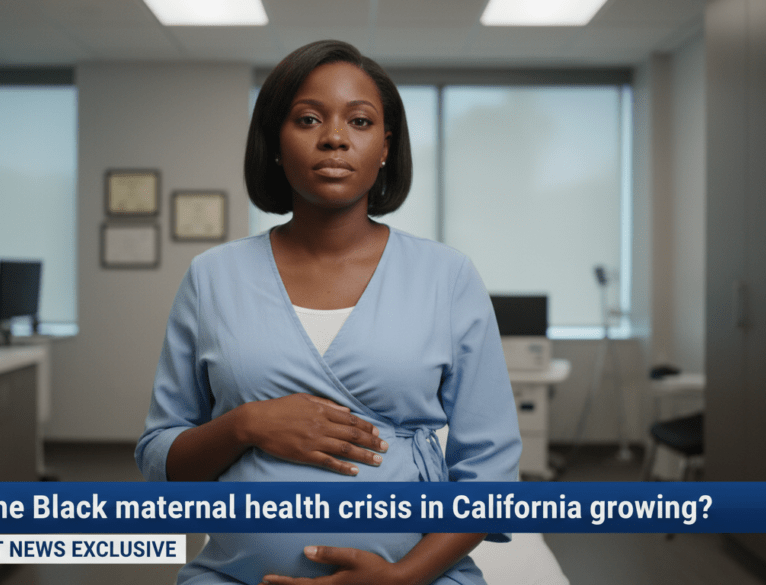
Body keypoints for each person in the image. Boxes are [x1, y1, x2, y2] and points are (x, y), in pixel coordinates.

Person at [136, 40, 521, 585]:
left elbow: (491, 477)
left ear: (386, 146)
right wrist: (246, 424)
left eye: (360, 121)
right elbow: (161, 461)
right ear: (274, 142)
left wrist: (401, 577)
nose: (335, 137)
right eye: (308, 118)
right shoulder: (212, 277)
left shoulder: (447, 276)